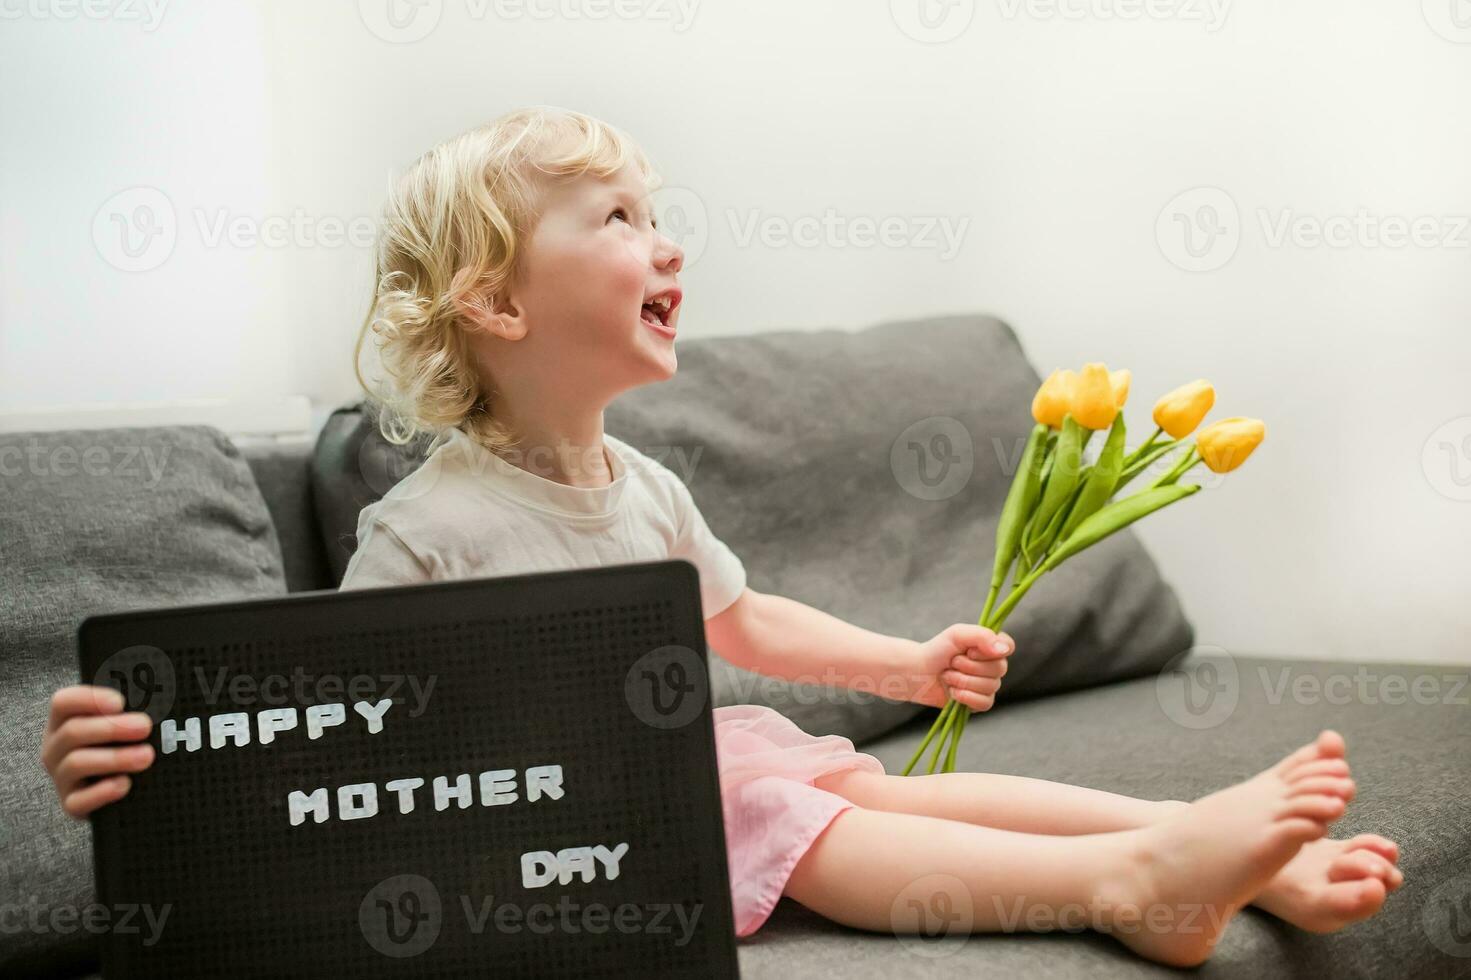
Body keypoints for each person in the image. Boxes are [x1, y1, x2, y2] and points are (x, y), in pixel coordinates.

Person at [40, 106, 1402, 967]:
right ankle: (1123, 887)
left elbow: (740, 620)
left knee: (883, 791)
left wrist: (905, 665)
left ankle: (1221, 849)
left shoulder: (639, 481)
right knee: (784, 808)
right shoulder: (429, 523)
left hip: (692, 752)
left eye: (659, 212)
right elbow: (322, 700)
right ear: (497, 306)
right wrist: (149, 753)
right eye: (620, 219)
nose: (666, 244)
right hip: (591, 815)